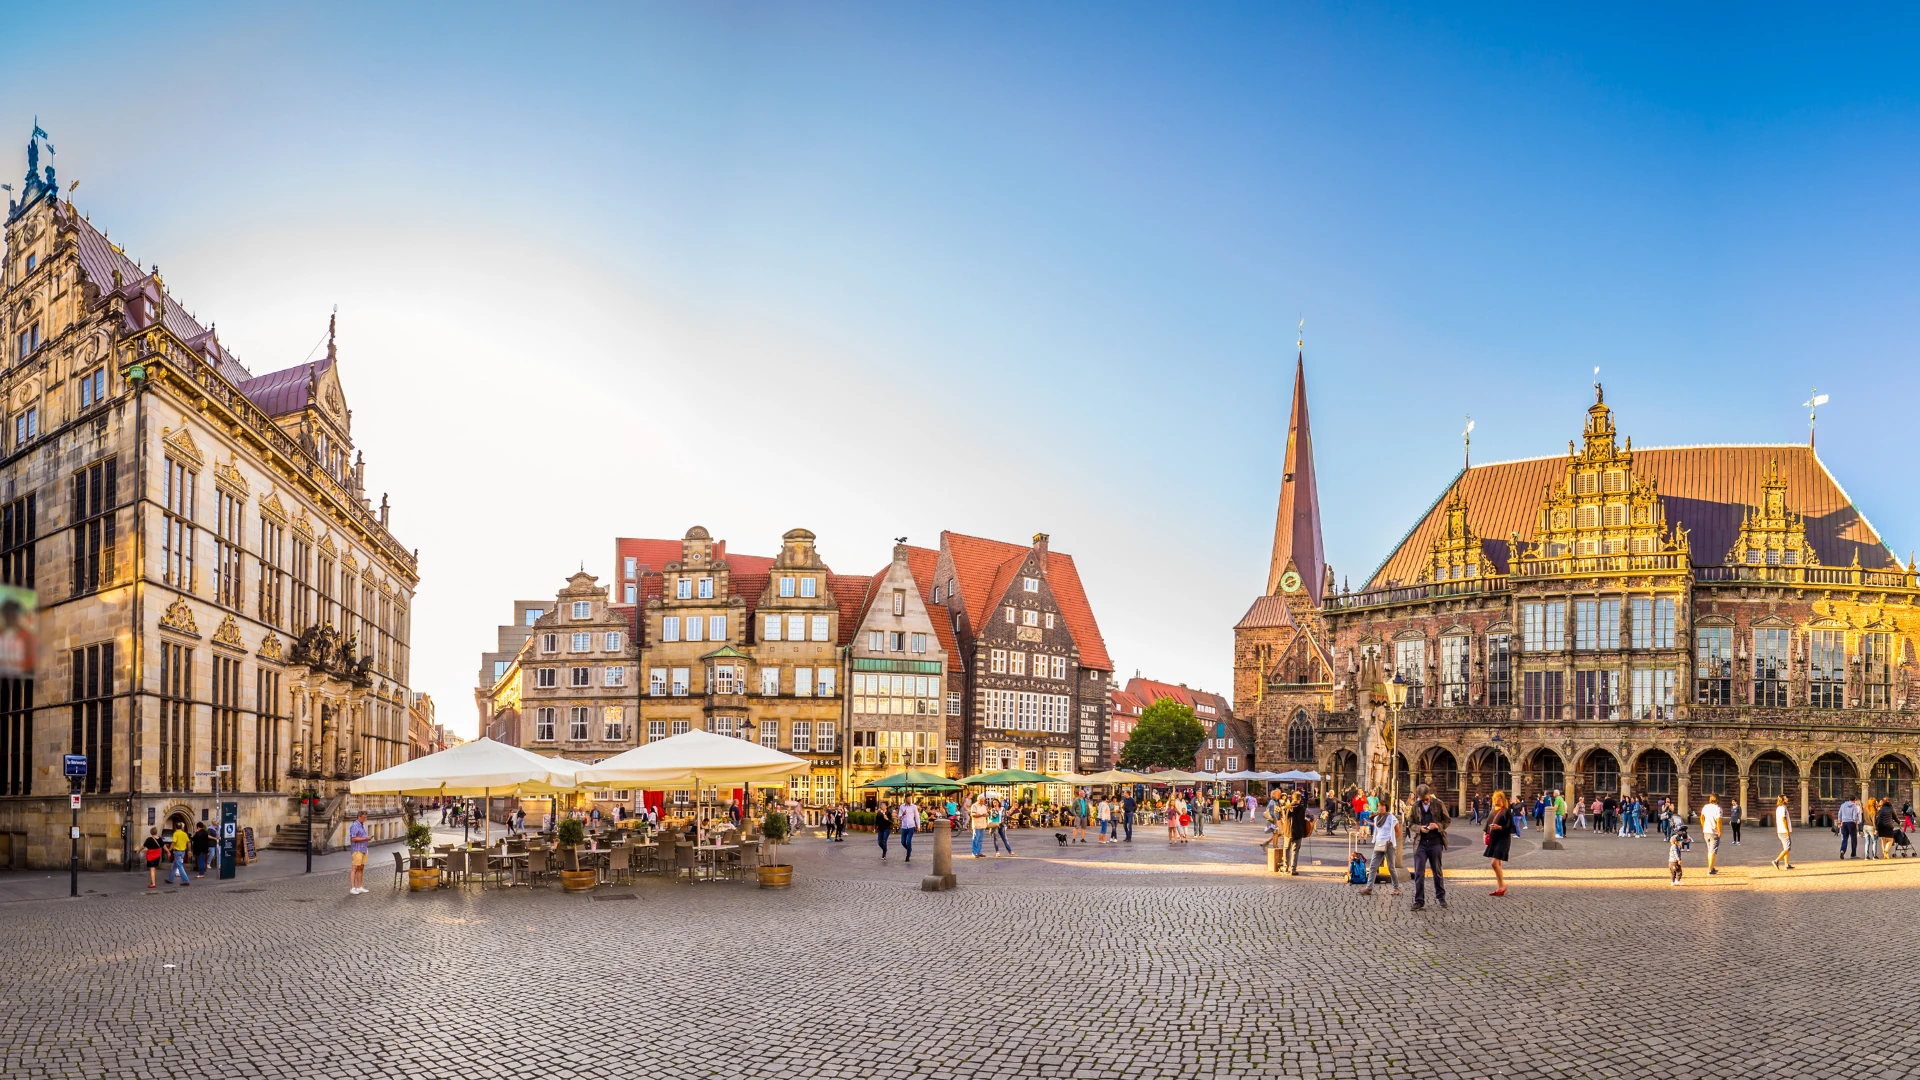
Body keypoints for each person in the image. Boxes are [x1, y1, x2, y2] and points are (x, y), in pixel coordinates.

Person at [1408, 784, 1449, 910]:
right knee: (1419, 873)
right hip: (1420, 843)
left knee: (1437, 871)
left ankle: (1441, 898)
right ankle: (1419, 900)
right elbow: (1410, 823)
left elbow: (1447, 820)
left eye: (1426, 799)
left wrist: (1437, 826)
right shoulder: (1415, 806)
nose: (1425, 802)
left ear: (1429, 795)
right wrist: (1419, 828)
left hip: (1435, 842)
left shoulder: (1438, 803)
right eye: (1422, 800)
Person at [1360, 800, 1401, 896]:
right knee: (1373, 866)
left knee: (1391, 867)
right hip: (1379, 843)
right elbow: (1377, 831)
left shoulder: (1391, 817)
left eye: (1382, 806)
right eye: (1378, 806)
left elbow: (1397, 831)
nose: (1380, 808)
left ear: (1386, 807)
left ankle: (1396, 888)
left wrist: (1391, 840)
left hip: (1389, 844)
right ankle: (1369, 888)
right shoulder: (1376, 818)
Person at [1484, 790, 1514, 897]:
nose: (1497, 800)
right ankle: (1500, 886)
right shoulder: (1492, 811)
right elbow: (1487, 824)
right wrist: (1485, 834)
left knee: (1494, 863)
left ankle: (1502, 886)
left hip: (1503, 839)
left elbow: (1511, 827)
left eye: (1499, 798)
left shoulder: (1506, 811)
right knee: (1498, 864)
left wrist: (1499, 827)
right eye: (1495, 798)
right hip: (1494, 839)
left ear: (1502, 799)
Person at [1280, 794, 1308, 875]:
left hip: (1288, 831)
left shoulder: (1286, 807)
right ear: (1300, 799)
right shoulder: (1303, 808)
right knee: (1295, 850)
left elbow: (1283, 818)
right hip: (1298, 831)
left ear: (1292, 798)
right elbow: (1310, 817)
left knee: (1286, 848)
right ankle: (1293, 869)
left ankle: (1285, 867)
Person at [347, 810, 372, 894]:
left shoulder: (361, 825)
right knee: (355, 868)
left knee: (361, 868)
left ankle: (359, 886)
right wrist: (365, 838)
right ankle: (352, 888)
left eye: (366, 817)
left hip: (363, 849)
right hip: (357, 850)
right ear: (359, 817)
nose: (365, 819)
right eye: (364, 817)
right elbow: (353, 838)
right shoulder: (355, 826)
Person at [1699, 794, 1723, 875]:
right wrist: (1720, 831)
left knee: (1710, 850)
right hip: (1714, 832)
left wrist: (1703, 826)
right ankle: (1710, 869)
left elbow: (1701, 817)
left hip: (1706, 831)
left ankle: (1711, 867)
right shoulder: (1718, 809)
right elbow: (1719, 820)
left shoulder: (1706, 807)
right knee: (1713, 851)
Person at [1772, 795, 1794, 870]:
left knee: (1786, 847)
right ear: (1783, 800)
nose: (1787, 799)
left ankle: (1786, 864)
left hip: (1781, 830)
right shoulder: (1782, 808)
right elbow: (1783, 819)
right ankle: (1776, 861)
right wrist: (1787, 830)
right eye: (1785, 798)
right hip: (1784, 831)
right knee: (1788, 848)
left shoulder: (1780, 808)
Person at [898, 798, 920, 864]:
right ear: (905, 799)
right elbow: (899, 817)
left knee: (909, 840)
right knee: (902, 842)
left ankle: (908, 856)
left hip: (911, 826)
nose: (910, 799)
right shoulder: (902, 806)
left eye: (910, 798)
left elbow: (917, 816)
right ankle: (909, 849)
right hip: (904, 826)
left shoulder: (914, 806)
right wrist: (903, 814)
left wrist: (918, 826)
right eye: (908, 798)